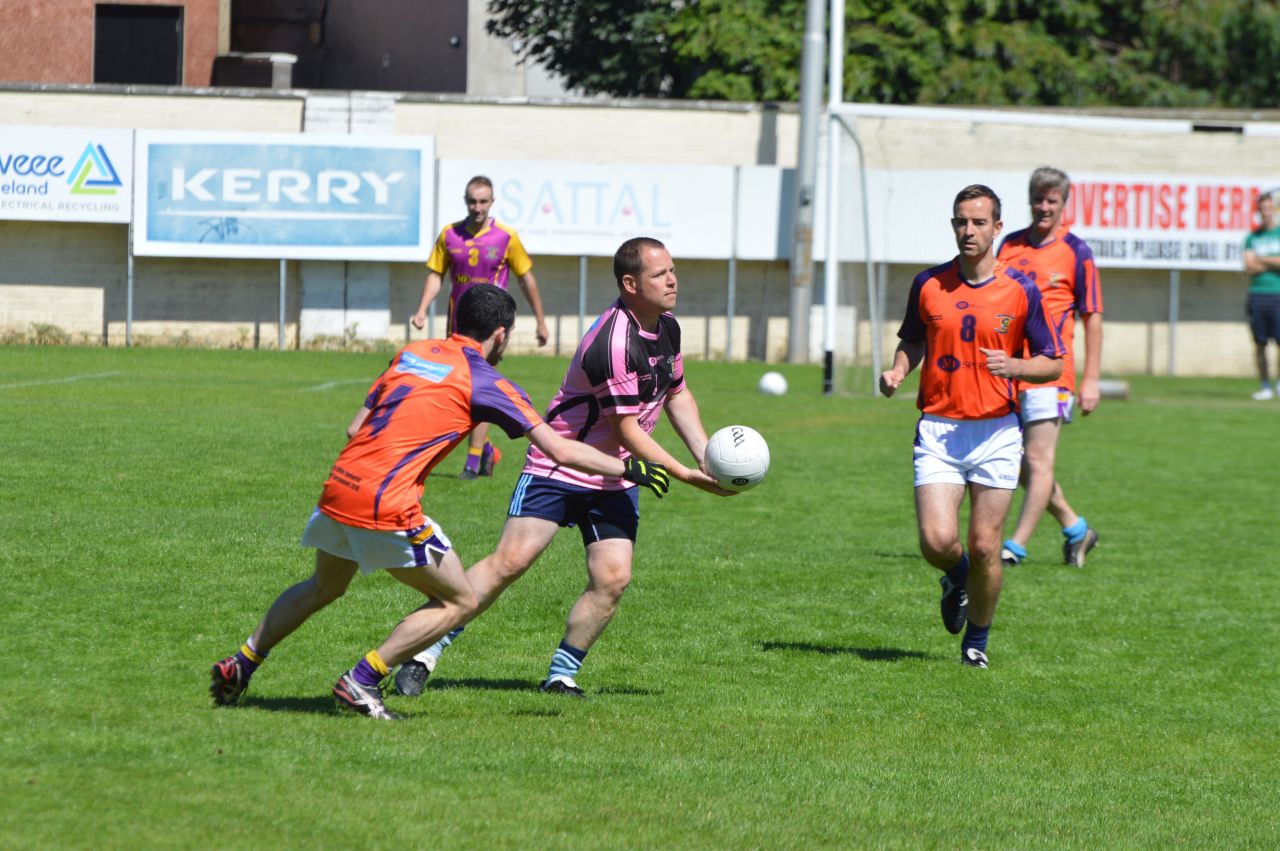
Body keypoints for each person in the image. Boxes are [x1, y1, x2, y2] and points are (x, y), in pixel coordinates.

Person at [209, 285, 670, 720]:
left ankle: (243, 662)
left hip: (339, 487)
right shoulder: (490, 382)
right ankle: (362, 680)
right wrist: (629, 468)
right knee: (460, 600)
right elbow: (561, 449)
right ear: (501, 334)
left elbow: (355, 428)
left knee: (322, 588)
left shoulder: (412, 353)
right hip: (386, 502)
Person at [394, 236, 729, 698]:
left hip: (615, 474)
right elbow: (629, 428)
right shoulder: (614, 341)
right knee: (510, 562)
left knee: (613, 578)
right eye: (660, 274)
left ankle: (561, 674)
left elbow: (677, 394)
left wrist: (705, 455)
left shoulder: (667, 326)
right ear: (630, 284)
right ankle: (422, 651)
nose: (672, 281)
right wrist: (687, 475)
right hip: (561, 460)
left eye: (673, 271)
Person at [880, 185, 1064, 669]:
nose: (969, 230)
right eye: (962, 221)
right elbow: (913, 341)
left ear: (997, 228)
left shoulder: (1020, 288)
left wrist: (1016, 368)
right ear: (953, 225)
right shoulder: (928, 284)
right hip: (939, 429)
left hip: (997, 432)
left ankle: (976, 641)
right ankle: (956, 578)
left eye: (979, 223)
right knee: (936, 541)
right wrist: (899, 370)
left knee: (986, 545)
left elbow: (1053, 363)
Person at [996, 167, 1104, 569]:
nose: (1044, 206)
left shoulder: (1077, 252)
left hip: (1053, 372)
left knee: (1039, 461)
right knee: (1021, 462)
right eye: (1038, 199)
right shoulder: (1007, 246)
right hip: (1009, 370)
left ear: (1063, 204)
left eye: (1051, 200)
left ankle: (1016, 546)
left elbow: (1093, 316)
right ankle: (1076, 529)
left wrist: (1090, 378)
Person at [411, 175, 551, 479]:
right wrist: (422, 310)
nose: (478, 207)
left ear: (492, 202)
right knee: (455, 389)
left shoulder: (506, 237)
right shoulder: (449, 235)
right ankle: (486, 449)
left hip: (491, 330)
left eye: (483, 201)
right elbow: (436, 275)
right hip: (458, 325)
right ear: (465, 201)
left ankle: (473, 460)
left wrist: (540, 320)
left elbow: (526, 278)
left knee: (481, 386)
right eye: (472, 201)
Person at [1243, 190, 1280, 401]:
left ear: (1273, 210)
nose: (1265, 212)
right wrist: (1272, 261)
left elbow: (1258, 262)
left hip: (1278, 295)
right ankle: (1265, 386)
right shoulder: (1252, 237)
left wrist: (1262, 260)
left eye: (1268, 208)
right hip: (1257, 295)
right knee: (1260, 343)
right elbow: (1249, 266)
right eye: (1262, 209)